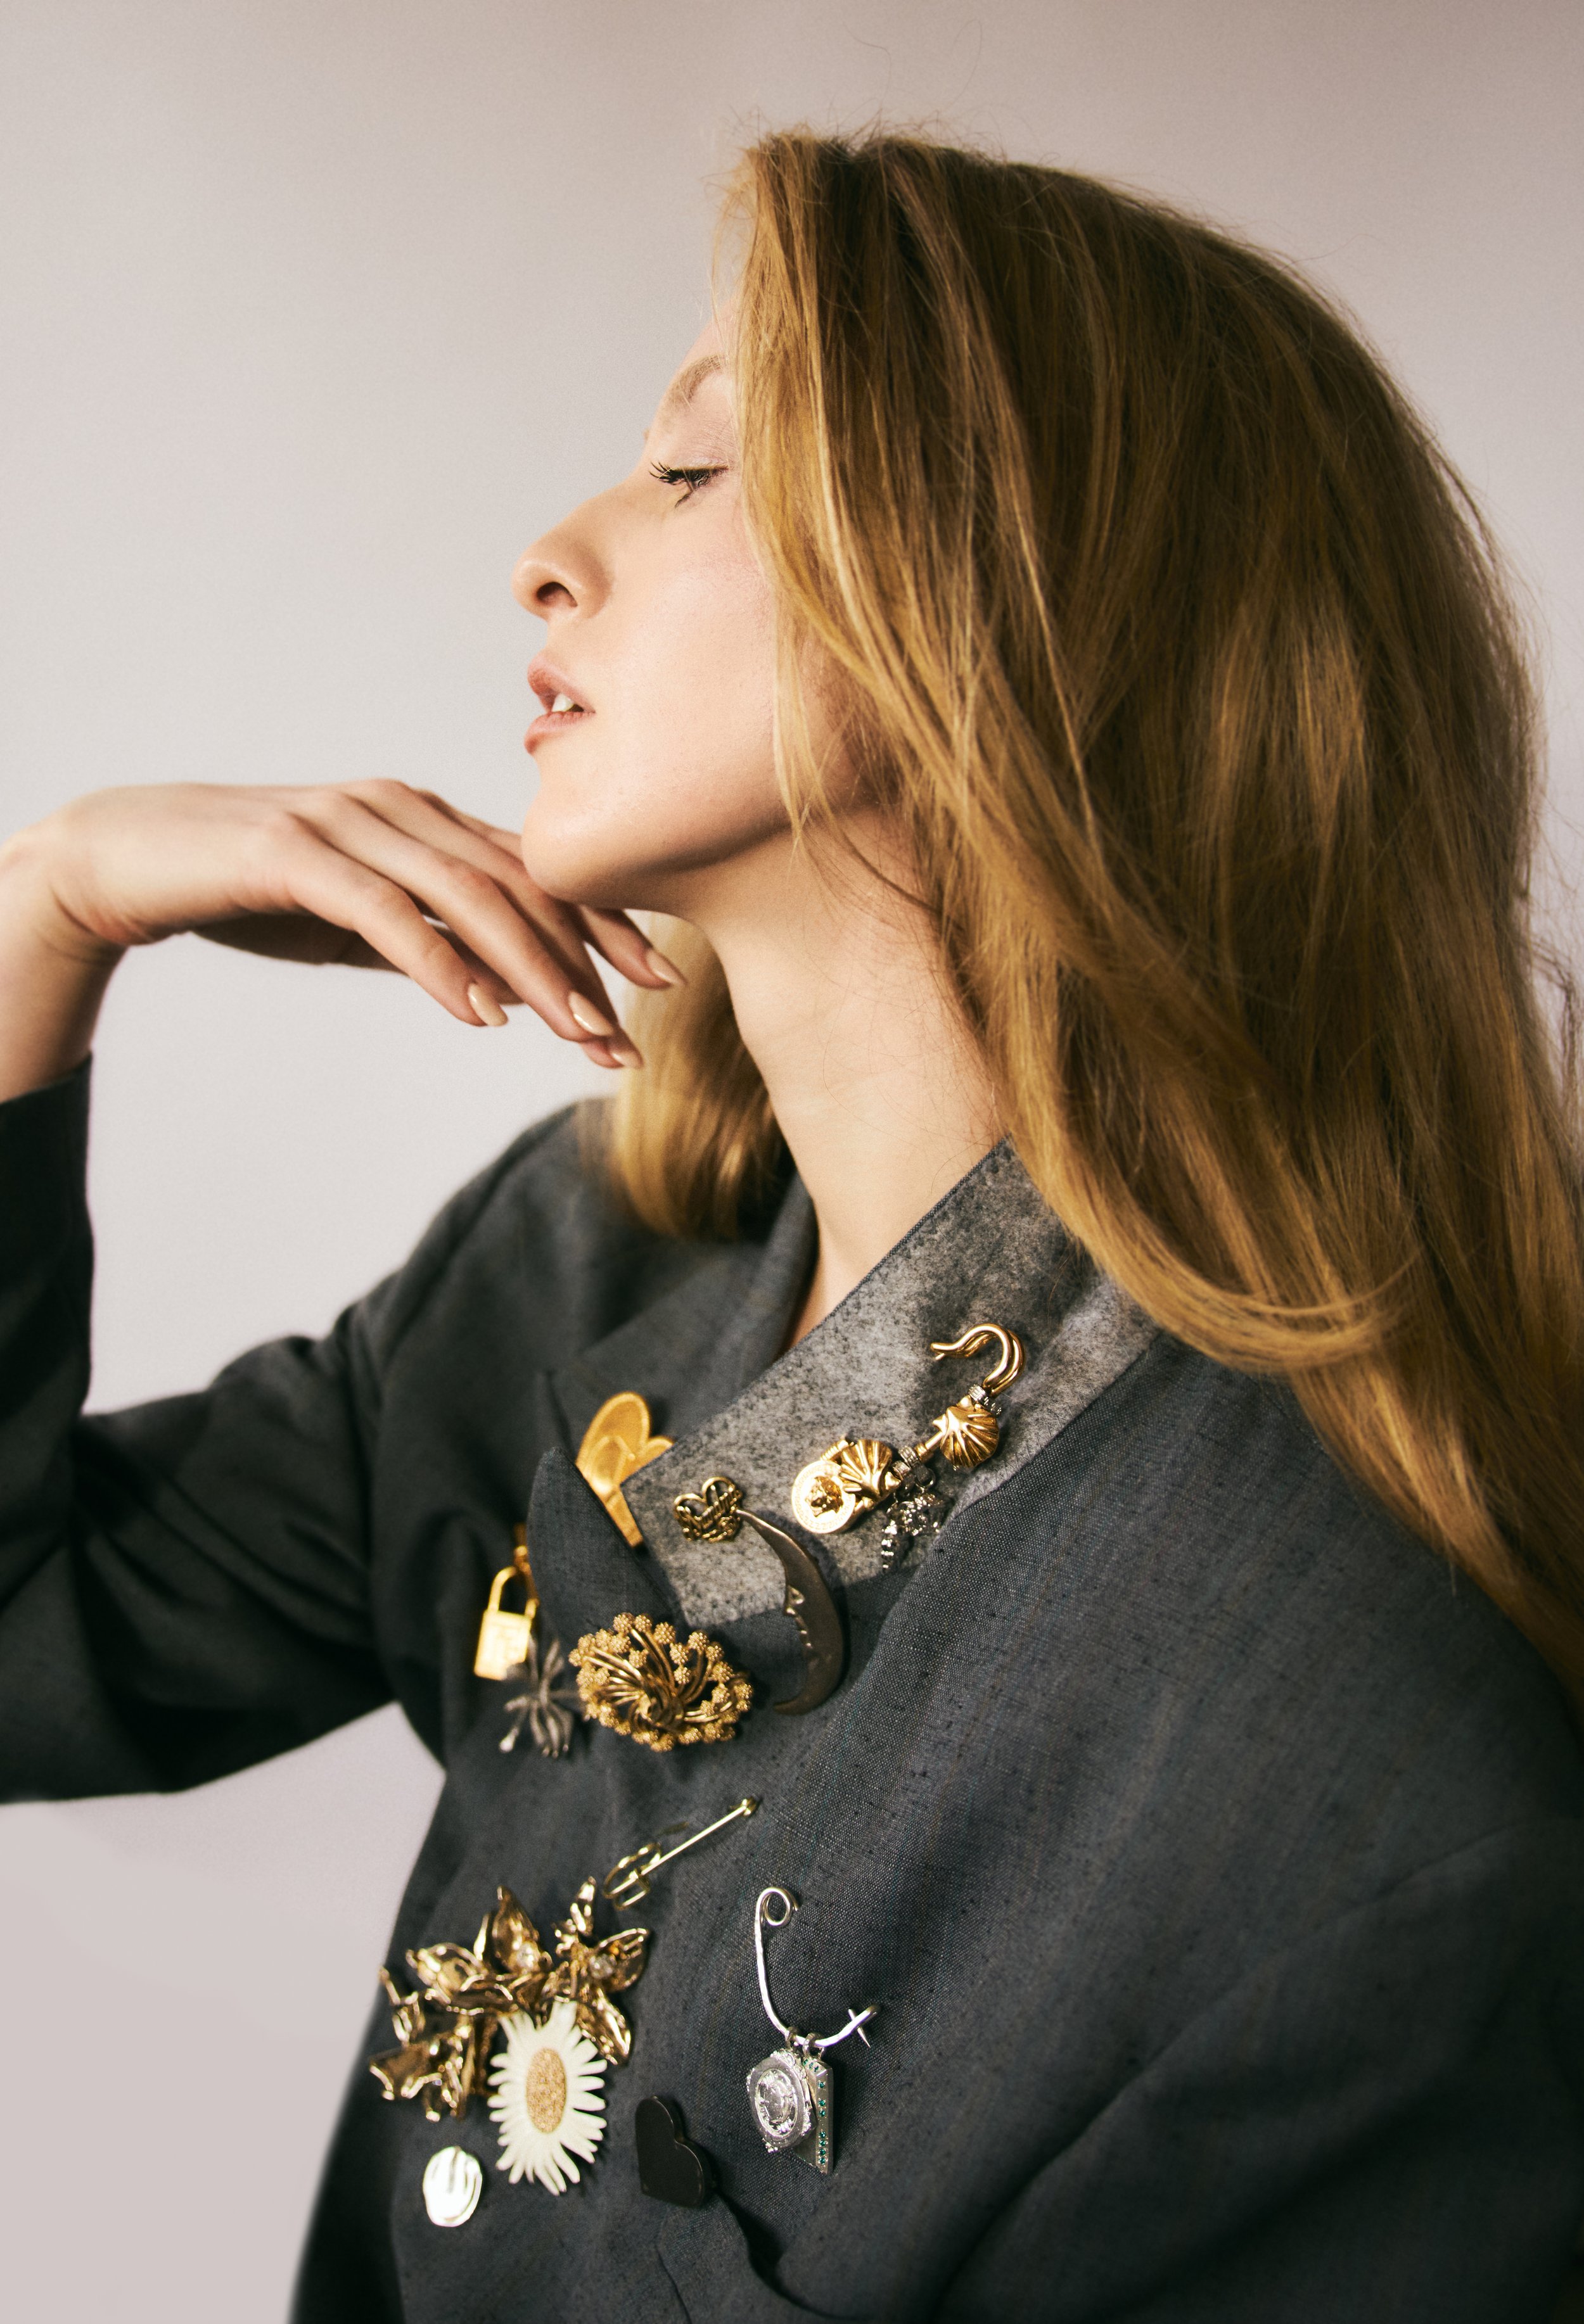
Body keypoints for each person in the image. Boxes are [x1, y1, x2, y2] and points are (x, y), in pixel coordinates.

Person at [1, 127, 1581, 2323]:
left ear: (1024, 597)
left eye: (691, 478)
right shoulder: (581, 1272)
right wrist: (39, 915)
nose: (546, 562)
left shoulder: (1355, 1816)